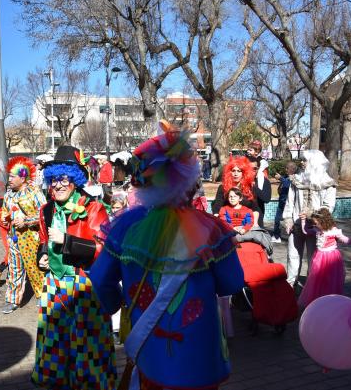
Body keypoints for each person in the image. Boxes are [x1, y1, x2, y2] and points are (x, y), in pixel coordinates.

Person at [89, 123, 244, 390]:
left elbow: (101, 279)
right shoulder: (211, 230)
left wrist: (119, 304)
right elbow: (233, 282)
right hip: (199, 356)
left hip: (149, 349)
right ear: (187, 178)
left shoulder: (126, 229)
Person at [32, 145, 117, 389]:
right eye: (54, 180)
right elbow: (43, 240)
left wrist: (67, 241)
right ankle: (58, 381)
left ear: (75, 180)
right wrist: (42, 257)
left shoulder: (94, 208)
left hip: (83, 284)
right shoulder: (46, 209)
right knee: (54, 338)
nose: (57, 185)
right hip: (54, 284)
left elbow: (103, 249)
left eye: (64, 179)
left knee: (86, 342)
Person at [283, 150, 337, 287]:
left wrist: (311, 214)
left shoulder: (327, 183)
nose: (302, 163)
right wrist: (288, 219)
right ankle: (290, 284)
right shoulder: (297, 180)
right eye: (302, 160)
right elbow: (289, 202)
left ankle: (311, 287)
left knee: (313, 258)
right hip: (296, 225)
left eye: (305, 160)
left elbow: (328, 207)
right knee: (293, 255)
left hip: (316, 228)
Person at [0, 157, 46, 313]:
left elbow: (44, 215)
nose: (10, 179)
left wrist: (26, 221)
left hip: (31, 239)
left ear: (23, 177)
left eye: (13, 176)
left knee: (35, 268)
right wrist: (5, 219)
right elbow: (5, 212)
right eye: (9, 176)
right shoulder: (8, 195)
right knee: (14, 270)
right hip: (13, 239)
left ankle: (42, 296)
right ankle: (12, 299)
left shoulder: (34, 192)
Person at [298, 208, 351, 308]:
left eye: (317, 223)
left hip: (331, 257)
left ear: (323, 222)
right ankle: (319, 300)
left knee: (331, 279)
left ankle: (330, 301)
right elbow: (305, 231)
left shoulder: (334, 231)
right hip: (319, 257)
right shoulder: (317, 229)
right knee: (317, 278)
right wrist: (303, 220)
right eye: (315, 223)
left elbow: (345, 239)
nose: (315, 225)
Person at [211, 156, 260, 224]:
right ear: (229, 172)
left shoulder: (250, 187)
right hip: (228, 223)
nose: (236, 174)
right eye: (233, 171)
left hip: (246, 223)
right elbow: (217, 207)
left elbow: (255, 208)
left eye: (239, 171)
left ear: (244, 173)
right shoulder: (222, 187)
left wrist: (255, 224)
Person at [272, 161, 297, 243]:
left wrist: (280, 178)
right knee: (277, 220)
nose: (286, 169)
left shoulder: (294, 177)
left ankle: (292, 236)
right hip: (281, 202)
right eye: (286, 168)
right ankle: (276, 236)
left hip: (288, 203)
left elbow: (287, 184)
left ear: (292, 169)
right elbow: (282, 186)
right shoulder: (286, 176)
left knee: (290, 221)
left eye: (287, 168)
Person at [249, 157, 271, 228]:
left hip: (257, 219)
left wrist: (254, 187)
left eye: (255, 168)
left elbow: (266, 199)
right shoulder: (240, 180)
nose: (251, 171)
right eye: (249, 168)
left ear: (258, 169)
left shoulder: (263, 181)